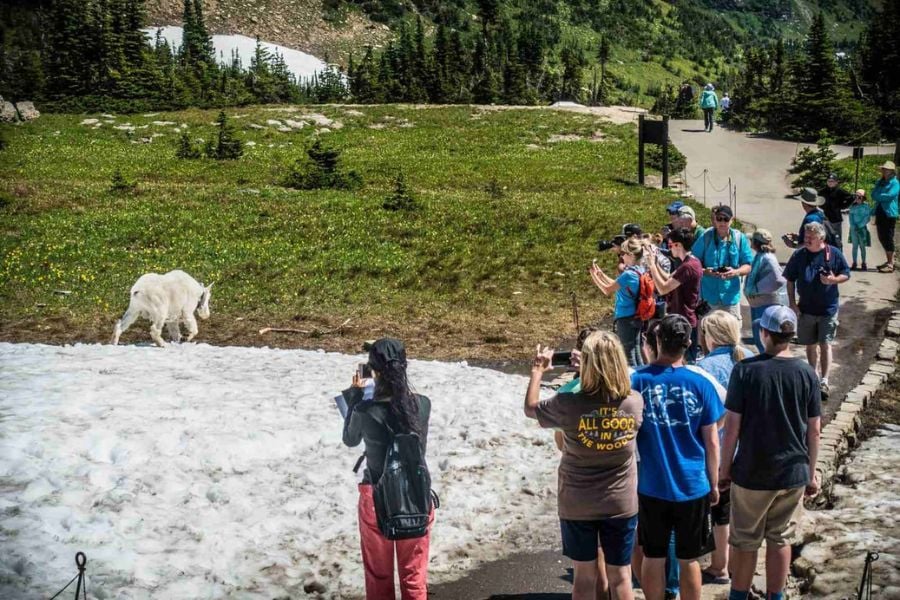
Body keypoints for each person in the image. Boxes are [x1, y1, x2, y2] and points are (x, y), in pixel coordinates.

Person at [525, 331, 643, 600]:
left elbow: (531, 408)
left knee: (584, 578)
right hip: (620, 502)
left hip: (578, 502)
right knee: (622, 577)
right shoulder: (634, 402)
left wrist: (537, 370)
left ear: (587, 364)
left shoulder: (568, 403)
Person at [720, 306, 822, 600]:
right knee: (781, 539)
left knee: (745, 541)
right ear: (790, 336)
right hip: (792, 472)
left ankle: (739, 595)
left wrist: (724, 471)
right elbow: (813, 430)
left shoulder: (745, 371)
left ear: (764, 333)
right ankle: (775, 596)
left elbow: (732, 429)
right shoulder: (806, 373)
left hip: (752, 472)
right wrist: (811, 473)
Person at [631, 315, 724, 600]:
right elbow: (712, 440)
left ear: (657, 341)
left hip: (651, 486)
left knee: (653, 556)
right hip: (693, 484)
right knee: (689, 560)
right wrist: (715, 482)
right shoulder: (701, 384)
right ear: (688, 344)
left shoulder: (637, 381)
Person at [342, 338, 433, 600]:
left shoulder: (366, 410)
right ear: (404, 367)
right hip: (416, 495)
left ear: (375, 371)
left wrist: (356, 395)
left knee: (379, 576)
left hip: (376, 496)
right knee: (413, 576)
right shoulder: (423, 405)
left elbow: (350, 439)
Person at [695, 310, 755, 585]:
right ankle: (739, 565)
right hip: (751, 447)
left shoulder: (704, 367)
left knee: (720, 512)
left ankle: (720, 565)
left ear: (711, 336)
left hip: (719, 448)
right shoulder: (751, 357)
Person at [783, 222, 851, 396]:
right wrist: (792, 303)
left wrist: (833, 280)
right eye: (806, 237)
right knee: (810, 344)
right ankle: (812, 376)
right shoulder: (799, 255)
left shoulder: (833, 253)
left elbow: (846, 273)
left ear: (821, 238)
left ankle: (824, 380)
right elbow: (789, 279)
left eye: (811, 238)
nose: (807, 240)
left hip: (828, 309)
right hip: (805, 309)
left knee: (825, 344)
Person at [589, 237, 648, 367]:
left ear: (630, 255)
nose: (622, 256)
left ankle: (632, 383)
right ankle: (641, 378)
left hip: (626, 316)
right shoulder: (639, 270)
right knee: (637, 351)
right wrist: (601, 274)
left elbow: (607, 290)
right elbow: (617, 284)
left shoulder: (628, 274)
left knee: (628, 354)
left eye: (624, 253)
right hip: (636, 315)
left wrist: (592, 274)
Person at [691, 205, 753, 326]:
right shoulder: (706, 236)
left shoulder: (739, 238)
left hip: (731, 298)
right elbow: (693, 261)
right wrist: (705, 271)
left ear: (732, 220)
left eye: (726, 219)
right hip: (709, 298)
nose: (722, 222)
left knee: (732, 335)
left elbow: (748, 265)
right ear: (715, 219)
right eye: (719, 219)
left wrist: (736, 272)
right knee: (708, 334)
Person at [647, 227, 703, 362]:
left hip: (684, 320)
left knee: (686, 361)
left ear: (678, 245)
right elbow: (668, 278)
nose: (669, 248)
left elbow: (663, 288)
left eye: (671, 245)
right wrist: (654, 263)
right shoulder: (691, 262)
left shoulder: (688, 266)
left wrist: (652, 267)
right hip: (684, 318)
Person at [744, 229, 787, 354]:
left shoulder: (768, 258)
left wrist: (757, 289)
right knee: (759, 336)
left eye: (752, 240)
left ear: (756, 242)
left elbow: (779, 280)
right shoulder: (760, 256)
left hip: (765, 303)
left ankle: (768, 359)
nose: (750, 242)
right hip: (758, 303)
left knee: (765, 338)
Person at [872, 160, 899, 273]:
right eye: (884, 169)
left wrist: (879, 196)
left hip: (889, 213)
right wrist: (880, 196)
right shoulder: (880, 182)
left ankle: (890, 263)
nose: (884, 171)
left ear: (892, 171)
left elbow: (890, 196)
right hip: (880, 211)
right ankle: (888, 261)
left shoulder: (895, 183)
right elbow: (873, 194)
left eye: (887, 169)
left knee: (888, 237)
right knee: (881, 236)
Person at [818, 173, 854, 249]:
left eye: (832, 181)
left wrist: (842, 206)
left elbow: (851, 197)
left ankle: (839, 255)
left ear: (836, 182)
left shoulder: (840, 191)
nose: (830, 183)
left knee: (837, 239)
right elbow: (818, 200)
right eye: (829, 181)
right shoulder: (823, 191)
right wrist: (822, 206)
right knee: (826, 239)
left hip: (836, 219)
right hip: (826, 218)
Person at [848, 188, 873, 271]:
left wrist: (860, 225)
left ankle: (863, 262)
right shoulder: (852, 206)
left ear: (863, 198)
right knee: (854, 246)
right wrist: (853, 226)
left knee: (862, 246)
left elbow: (867, 218)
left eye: (859, 197)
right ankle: (854, 262)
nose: (857, 199)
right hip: (853, 229)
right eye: (856, 197)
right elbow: (850, 217)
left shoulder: (866, 206)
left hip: (862, 229)